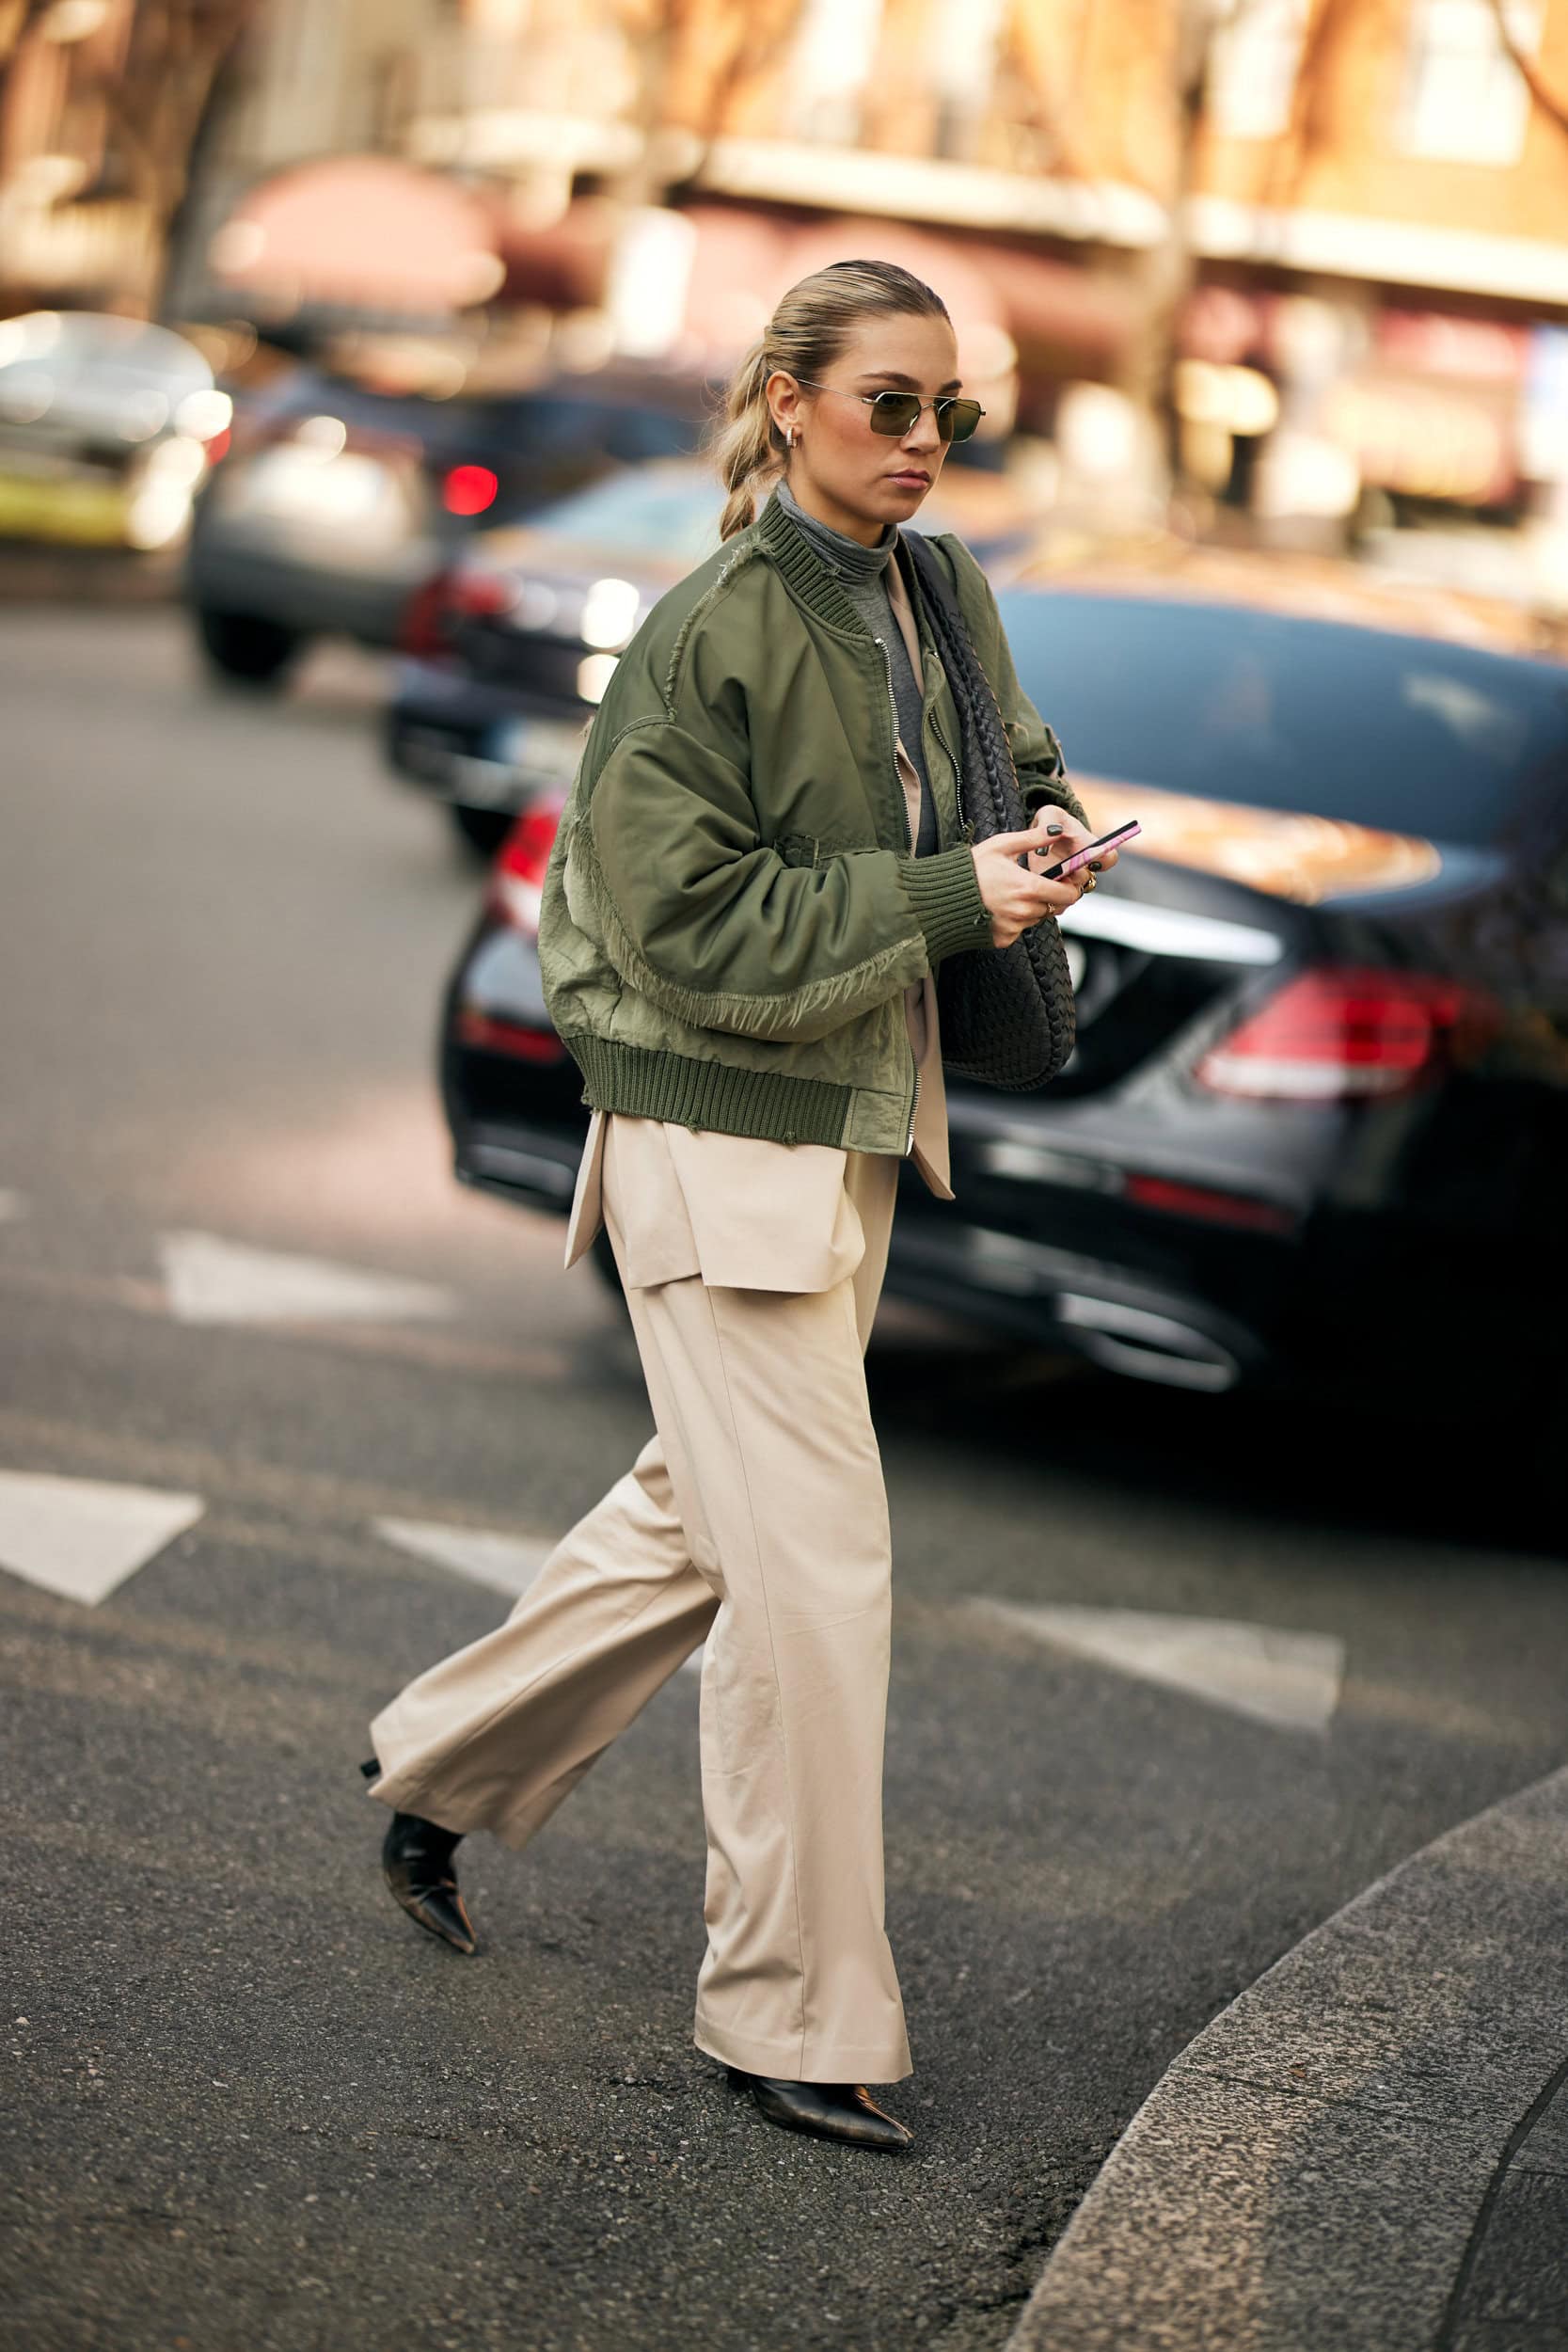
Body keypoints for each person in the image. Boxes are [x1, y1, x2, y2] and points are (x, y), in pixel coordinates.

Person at [361, 260, 1114, 2154]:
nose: (925, 443)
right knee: (813, 1578)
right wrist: (955, 897)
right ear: (786, 399)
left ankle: (440, 1766)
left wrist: (1034, 837)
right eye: (887, 402)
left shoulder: (939, 588)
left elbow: (1002, 767)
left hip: (852, 1120)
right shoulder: (713, 630)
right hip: (716, 1141)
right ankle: (788, 2011)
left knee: (702, 1515)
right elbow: (690, 936)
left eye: (949, 409)